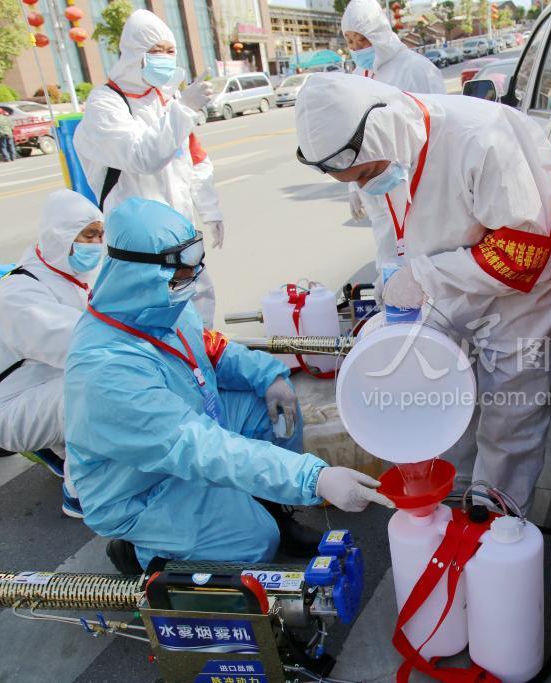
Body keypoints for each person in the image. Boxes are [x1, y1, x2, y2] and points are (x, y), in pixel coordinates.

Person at [64, 197, 392, 572]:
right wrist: (312, 478)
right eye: (183, 274)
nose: (192, 281)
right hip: (142, 488)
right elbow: (197, 445)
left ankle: (271, 511)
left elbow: (213, 350)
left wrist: (268, 376)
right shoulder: (106, 369)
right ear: (141, 275)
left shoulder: (159, 306)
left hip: (193, 433)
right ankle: (139, 552)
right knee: (255, 542)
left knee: (274, 410)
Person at [294, 74, 551, 512]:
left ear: (383, 133)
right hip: (442, 283)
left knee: (509, 410)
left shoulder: (482, 138)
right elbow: (392, 230)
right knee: (444, 395)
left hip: (516, 296)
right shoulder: (384, 155)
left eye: (365, 175)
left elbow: (522, 255)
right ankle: (454, 497)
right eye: (352, 181)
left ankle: (499, 518)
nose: (364, 186)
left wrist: (424, 277)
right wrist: (392, 279)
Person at [74, 9, 222, 327]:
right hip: (139, 245)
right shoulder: (106, 104)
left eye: (170, 51)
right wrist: (183, 110)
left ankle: (199, 357)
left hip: (180, 236)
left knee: (198, 313)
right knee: (150, 323)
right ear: (134, 53)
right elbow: (141, 156)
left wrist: (210, 209)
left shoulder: (165, 100)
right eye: (156, 51)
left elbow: (195, 160)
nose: (165, 58)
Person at [0, 190, 104, 518]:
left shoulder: (70, 275)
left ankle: (59, 447)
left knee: (97, 380)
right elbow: (82, 343)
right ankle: (81, 492)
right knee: (99, 386)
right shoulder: (20, 293)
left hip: (39, 390)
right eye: (88, 236)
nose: (96, 244)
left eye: (100, 235)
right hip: (9, 410)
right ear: (59, 235)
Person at [341, 0, 445, 220]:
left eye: (362, 39)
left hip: (418, 188)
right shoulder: (359, 75)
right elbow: (354, 135)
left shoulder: (415, 69)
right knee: (388, 240)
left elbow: (439, 130)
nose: (356, 48)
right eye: (350, 41)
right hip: (377, 193)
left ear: (377, 34)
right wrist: (354, 186)